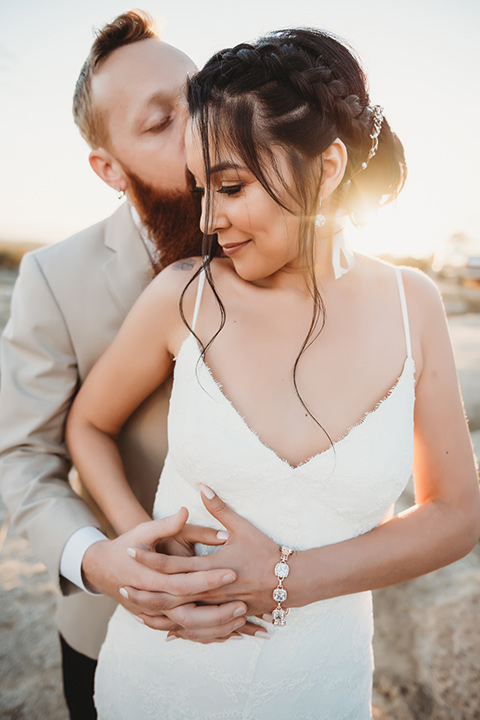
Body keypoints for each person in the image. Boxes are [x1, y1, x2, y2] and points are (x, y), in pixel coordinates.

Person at [66, 27, 480, 719]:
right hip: (155, 683)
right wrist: (141, 550)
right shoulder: (184, 295)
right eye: (202, 189)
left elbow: (457, 515)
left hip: (322, 690)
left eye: (230, 186)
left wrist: (289, 578)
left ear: (327, 167)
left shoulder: (415, 307)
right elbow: (88, 423)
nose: (208, 217)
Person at [0, 11, 254, 720]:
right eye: (158, 122)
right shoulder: (54, 277)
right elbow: (21, 455)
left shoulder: (288, 253)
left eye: (202, 96)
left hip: (277, 625)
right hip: (110, 632)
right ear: (107, 168)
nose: (201, 129)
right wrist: (97, 560)